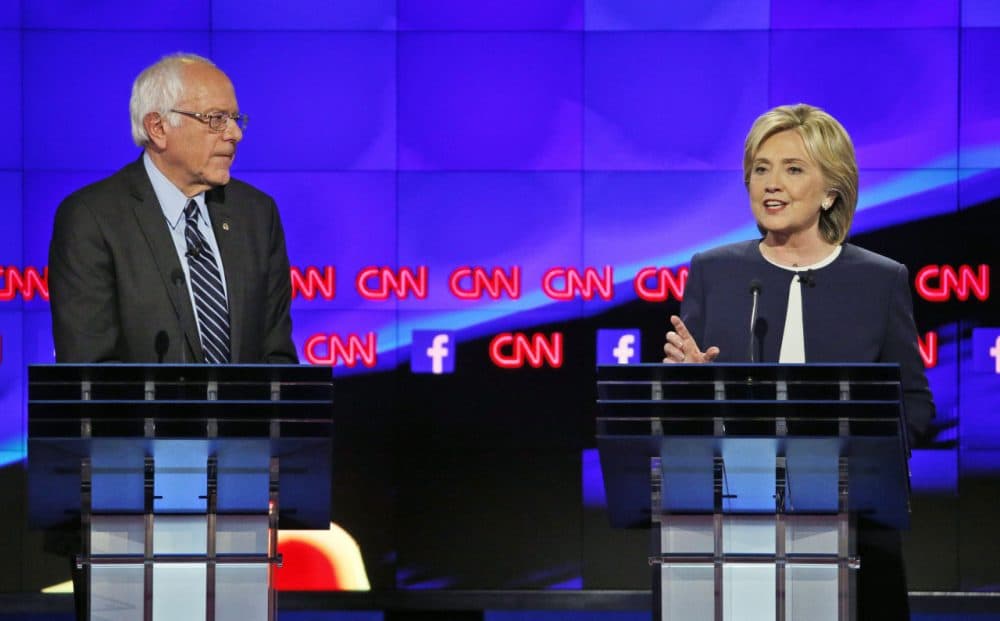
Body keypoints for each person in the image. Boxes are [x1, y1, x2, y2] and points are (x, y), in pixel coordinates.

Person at [662, 103, 935, 619]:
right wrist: (690, 384)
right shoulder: (712, 273)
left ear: (831, 190)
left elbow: (916, 404)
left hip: (851, 528)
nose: (771, 183)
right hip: (733, 528)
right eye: (760, 168)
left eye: (793, 169)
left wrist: (863, 454)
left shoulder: (880, 280)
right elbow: (680, 416)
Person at [49, 52, 297, 364]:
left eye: (235, 119)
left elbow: (277, 357)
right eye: (216, 119)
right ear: (158, 128)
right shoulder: (92, 219)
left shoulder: (257, 215)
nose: (235, 134)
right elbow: (91, 371)